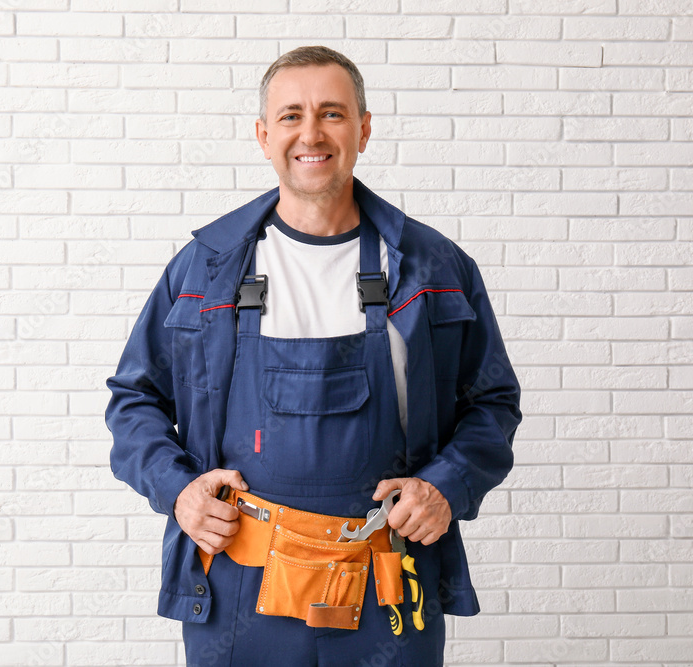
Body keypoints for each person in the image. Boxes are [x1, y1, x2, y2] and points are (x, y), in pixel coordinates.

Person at [105, 46, 521, 666]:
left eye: (332, 113)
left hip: (390, 587)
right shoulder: (207, 268)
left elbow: (492, 401)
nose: (311, 133)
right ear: (263, 134)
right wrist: (179, 490)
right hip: (237, 589)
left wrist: (448, 486)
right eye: (292, 115)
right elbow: (134, 399)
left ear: (364, 128)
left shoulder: (432, 268)